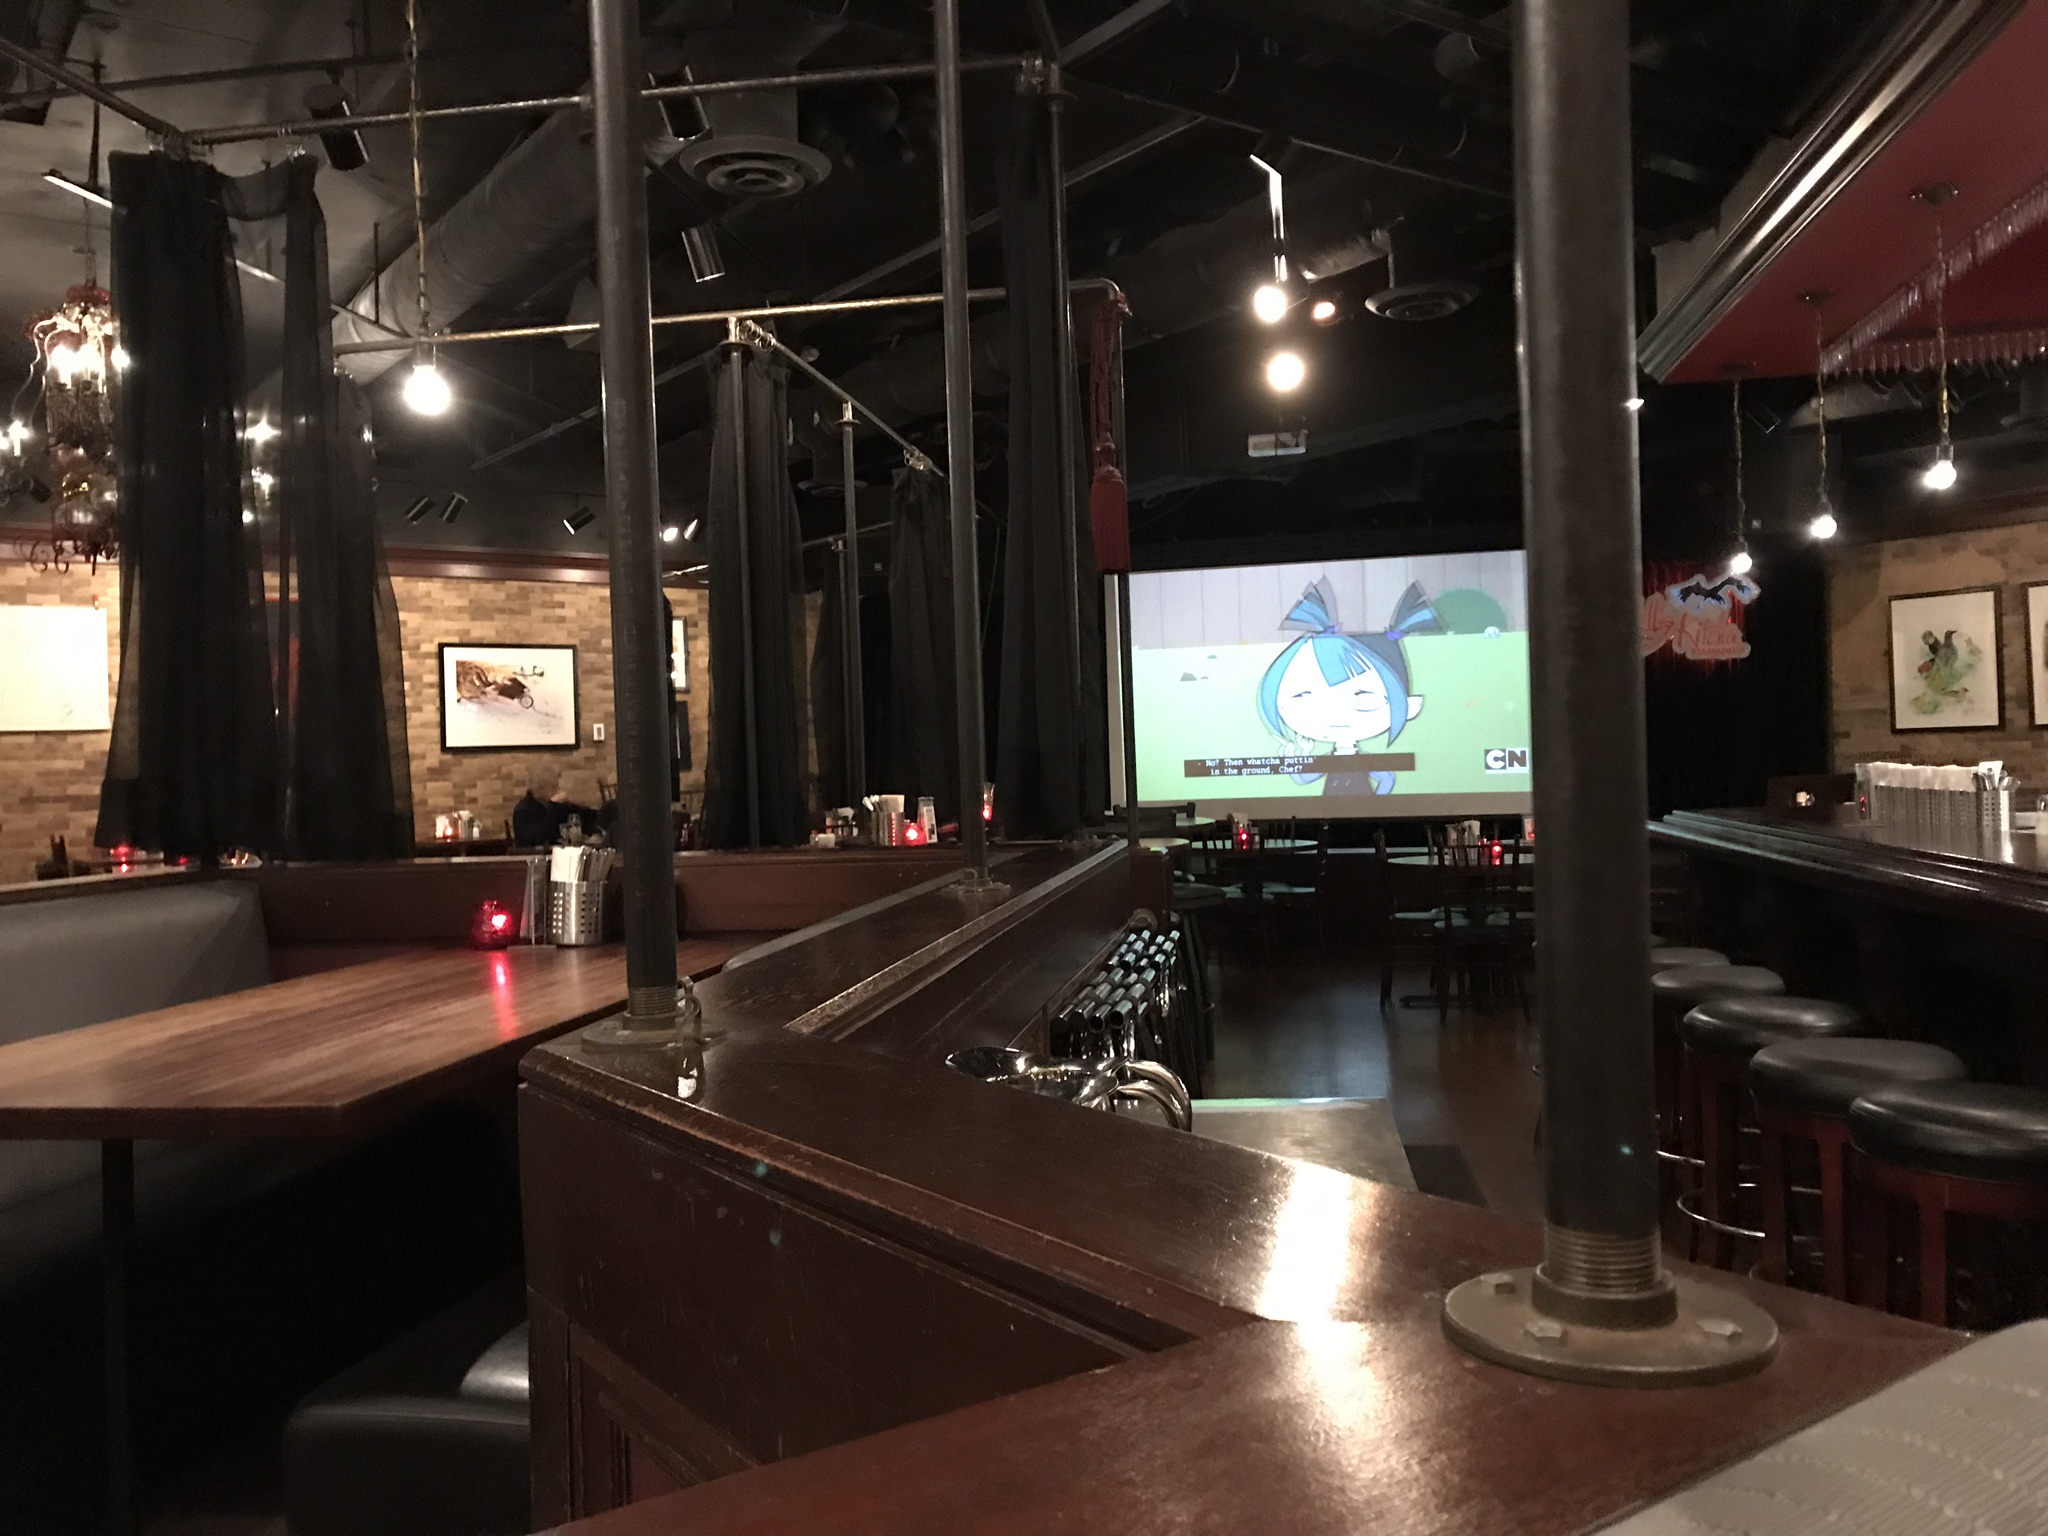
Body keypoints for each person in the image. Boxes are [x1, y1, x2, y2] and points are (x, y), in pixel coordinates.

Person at [1255, 578, 1443, 797]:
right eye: (1306, 700)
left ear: (1410, 707)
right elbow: (1303, 778)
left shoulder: (1365, 761)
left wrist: (1377, 807)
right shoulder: (1328, 761)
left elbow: (1387, 778)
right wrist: (1293, 759)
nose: (1337, 716)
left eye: (1366, 700)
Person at [512, 763, 600, 847]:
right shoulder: (523, 811)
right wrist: (553, 806)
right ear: (539, 789)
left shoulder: (557, 806)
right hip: (535, 855)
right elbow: (538, 838)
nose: (558, 790)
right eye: (553, 787)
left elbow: (587, 816)